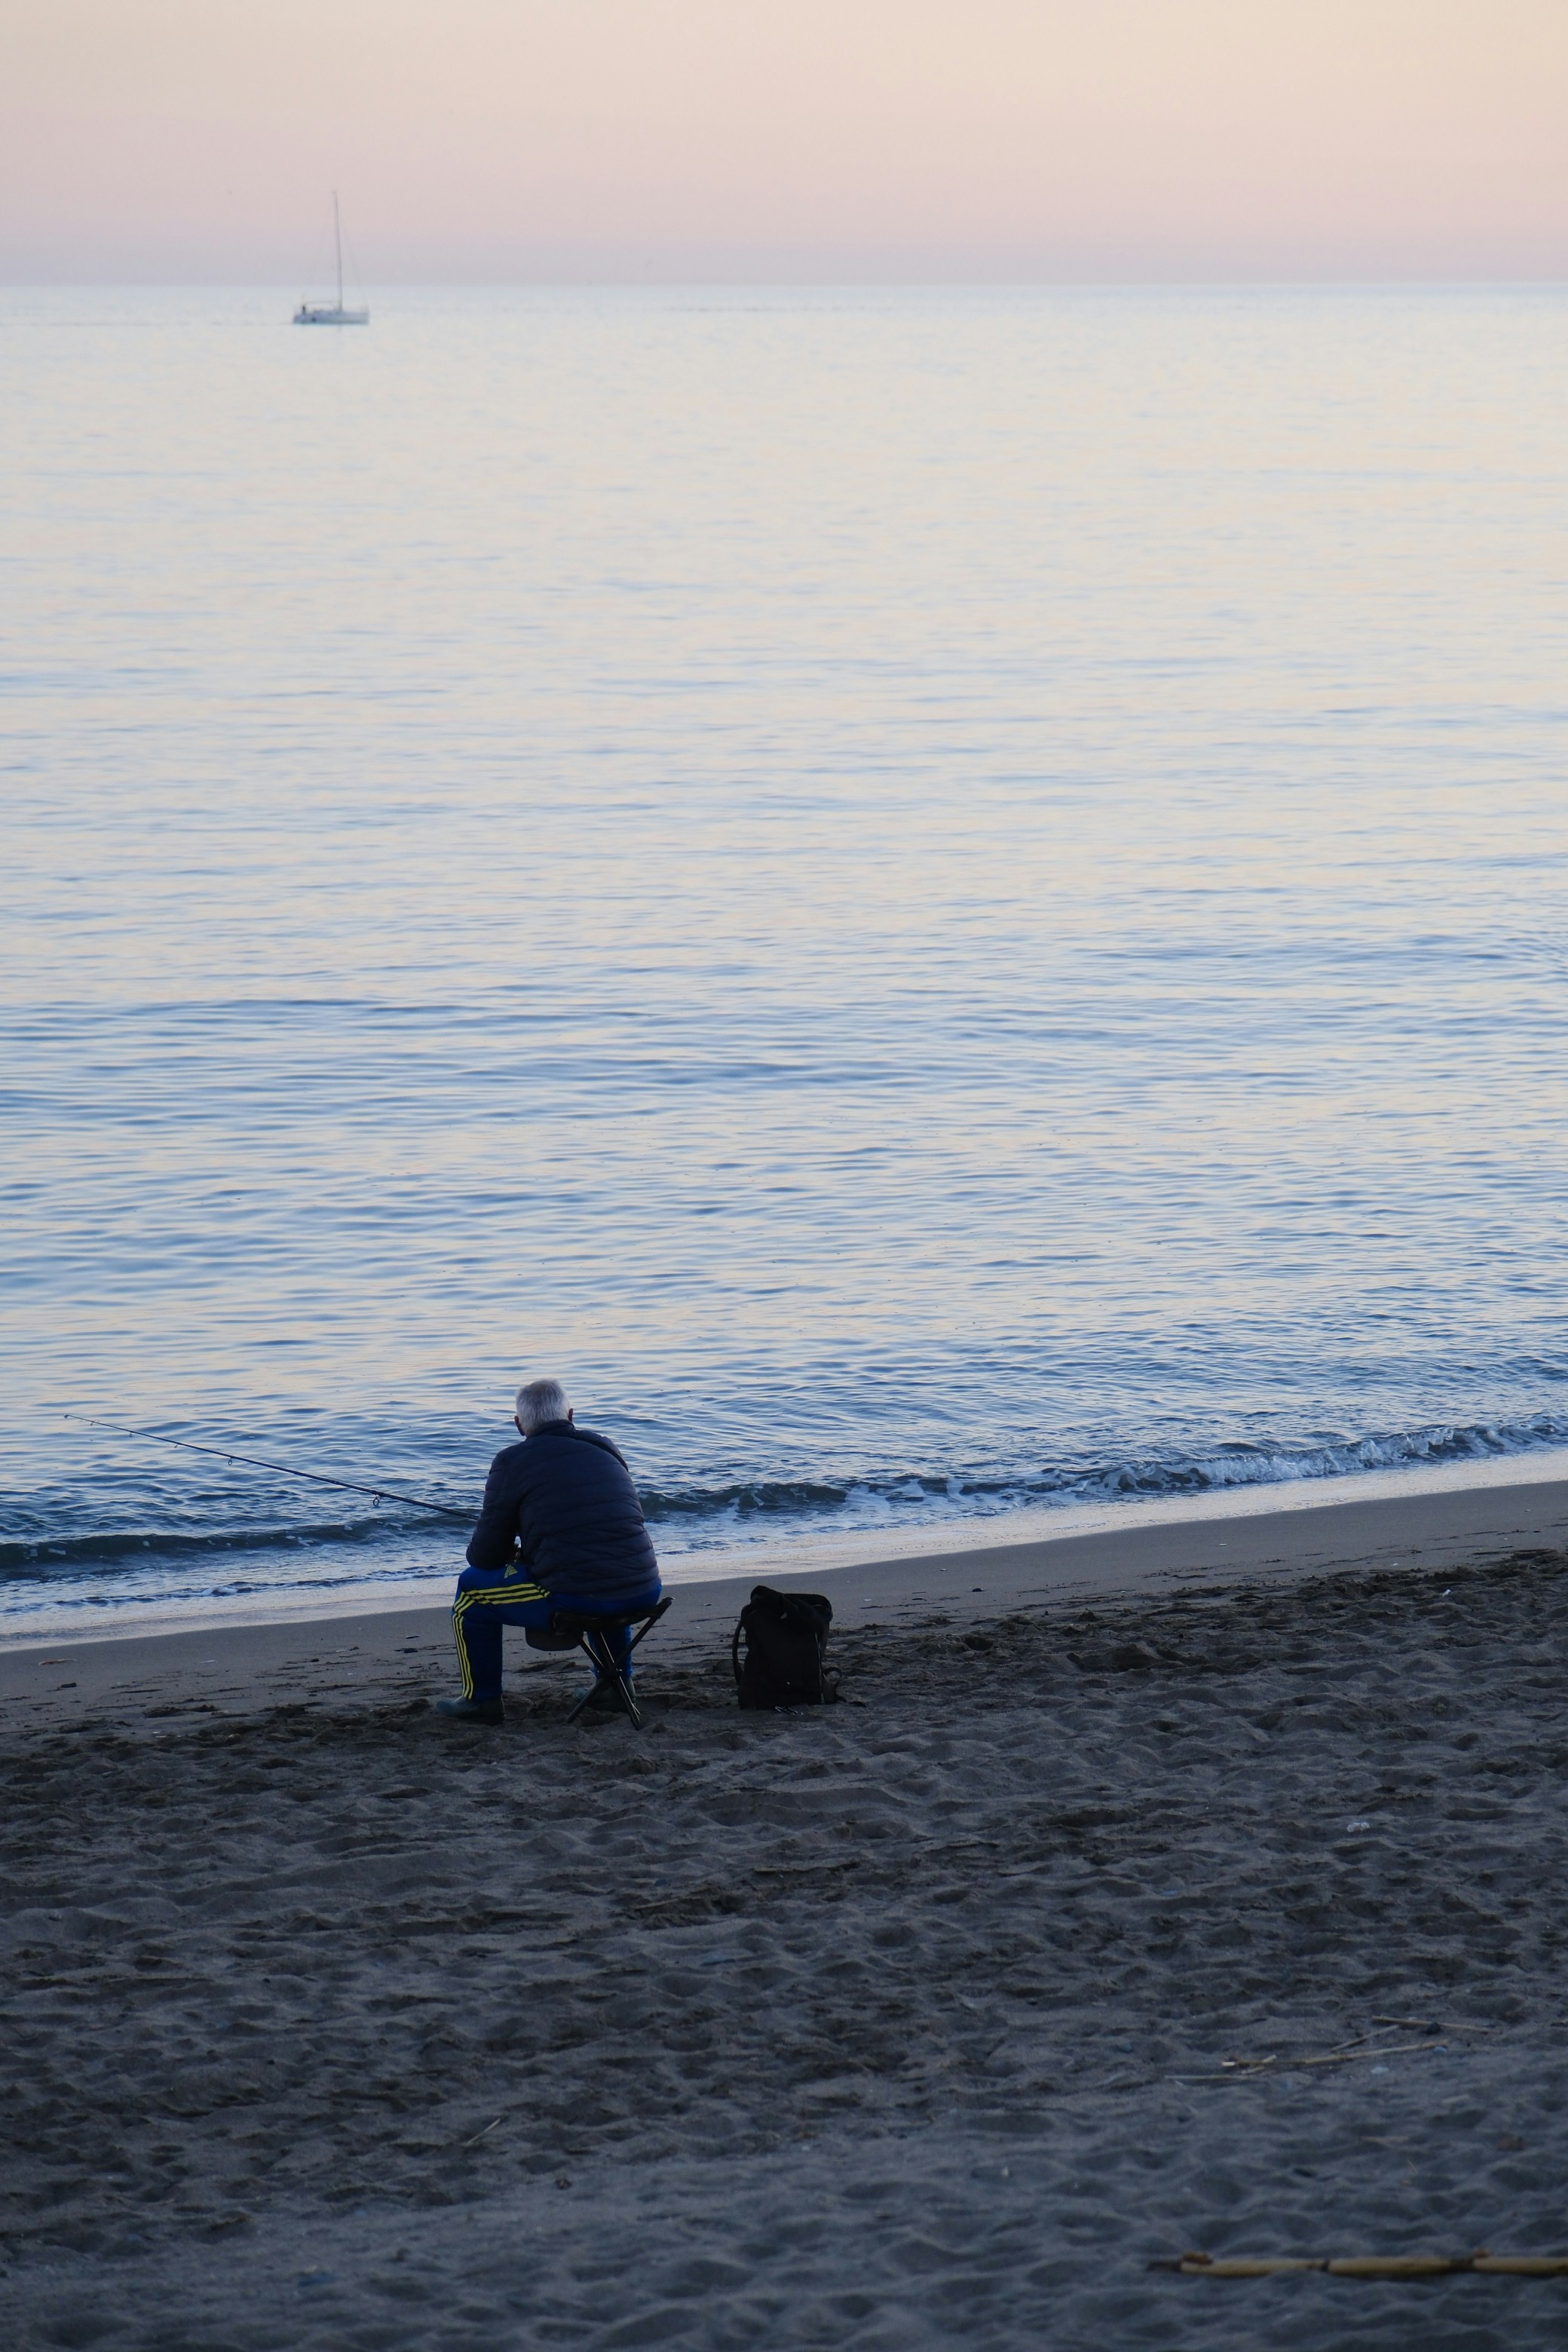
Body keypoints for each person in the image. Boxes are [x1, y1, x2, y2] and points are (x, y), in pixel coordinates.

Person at [434, 1380, 661, 1724]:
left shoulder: (511, 1461)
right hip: (644, 1589)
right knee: (602, 1569)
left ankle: (481, 1701)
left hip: (578, 1599)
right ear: (570, 1415)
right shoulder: (605, 1447)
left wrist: (514, 1552)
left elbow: (483, 1558)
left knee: (470, 1590)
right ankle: (617, 1687)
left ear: (519, 1424)